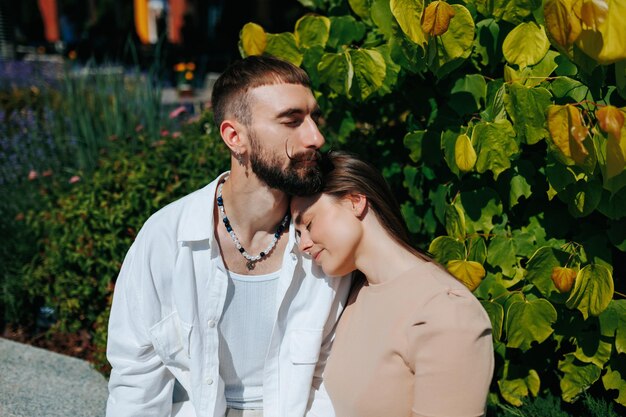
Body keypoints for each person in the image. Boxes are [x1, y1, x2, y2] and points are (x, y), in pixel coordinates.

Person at [105, 56, 351, 417]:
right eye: (291, 120)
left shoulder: (328, 240)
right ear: (235, 137)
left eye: (314, 118)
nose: (316, 137)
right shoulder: (166, 239)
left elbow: (335, 380)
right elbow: (136, 381)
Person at [291, 151, 494, 417]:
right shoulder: (351, 295)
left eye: (308, 223)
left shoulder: (445, 310)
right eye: (297, 234)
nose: (303, 245)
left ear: (355, 201)